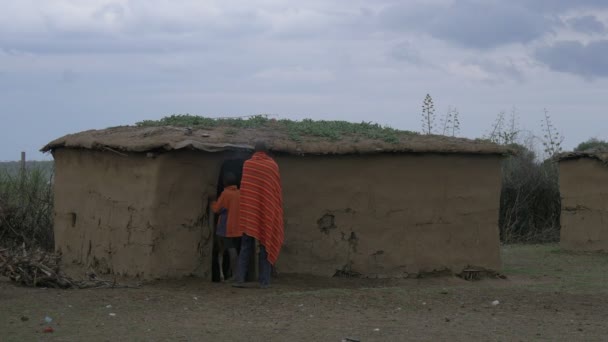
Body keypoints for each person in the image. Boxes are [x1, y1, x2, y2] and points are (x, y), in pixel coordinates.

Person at [233, 141, 284, 289]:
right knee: (265, 246)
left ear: (254, 151)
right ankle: (264, 281)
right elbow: (275, 191)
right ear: (266, 151)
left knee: (246, 246)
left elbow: (246, 191)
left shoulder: (248, 165)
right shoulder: (273, 165)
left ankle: (240, 279)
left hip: (250, 212)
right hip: (267, 211)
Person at [211, 172, 241, 281]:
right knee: (236, 250)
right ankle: (237, 274)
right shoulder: (240, 193)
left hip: (227, 228)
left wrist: (212, 202)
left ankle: (236, 276)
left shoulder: (226, 193)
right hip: (239, 228)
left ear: (225, 183)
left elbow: (216, 209)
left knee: (230, 250)